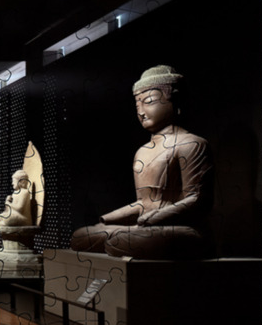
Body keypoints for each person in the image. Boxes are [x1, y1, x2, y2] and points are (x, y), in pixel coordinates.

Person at [69, 65, 212, 260]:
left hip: (181, 228)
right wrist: (108, 218)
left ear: (175, 99)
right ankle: (125, 237)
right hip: (145, 227)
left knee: (124, 240)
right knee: (82, 236)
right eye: (137, 106)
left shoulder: (192, 144)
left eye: (149, 102)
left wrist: (154, 218)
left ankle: (129, 238)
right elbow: (143, 203)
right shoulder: (142, 151)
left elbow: (197, 199)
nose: (142, 112)